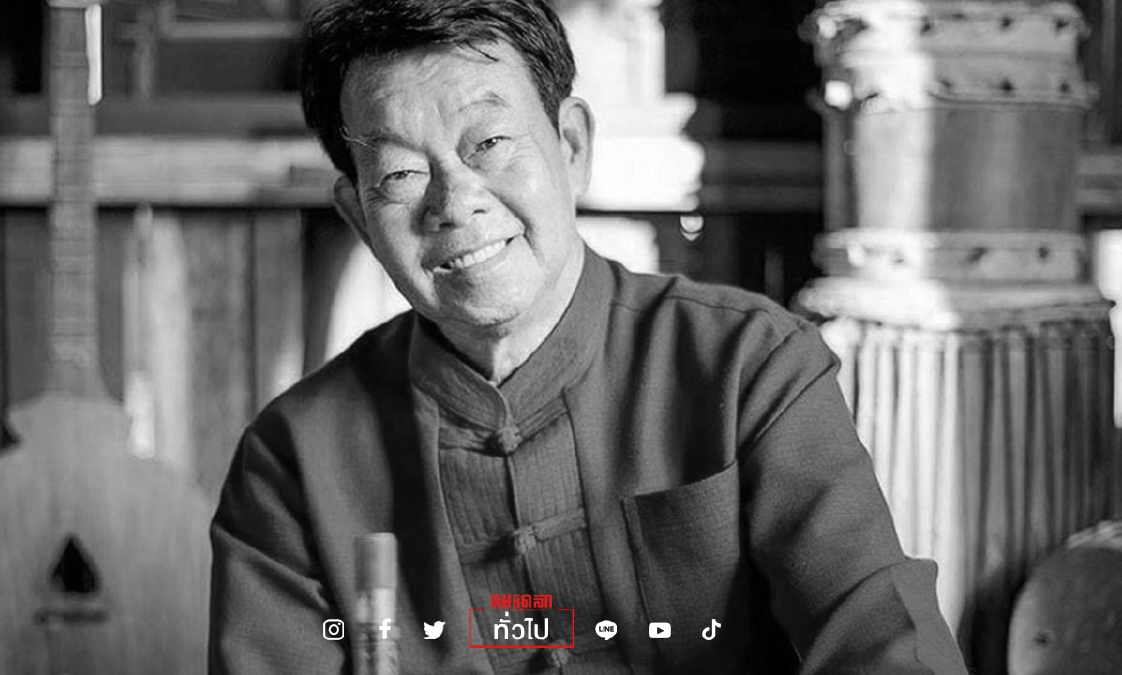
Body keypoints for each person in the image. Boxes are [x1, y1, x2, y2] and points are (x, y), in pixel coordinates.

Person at [208, 1, 969, 673]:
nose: (456, 203)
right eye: (401, 175)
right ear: (359, 215)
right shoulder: (294, 457)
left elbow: (883, 641)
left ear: (571, 146)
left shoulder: (749, 365)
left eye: (489, 142)